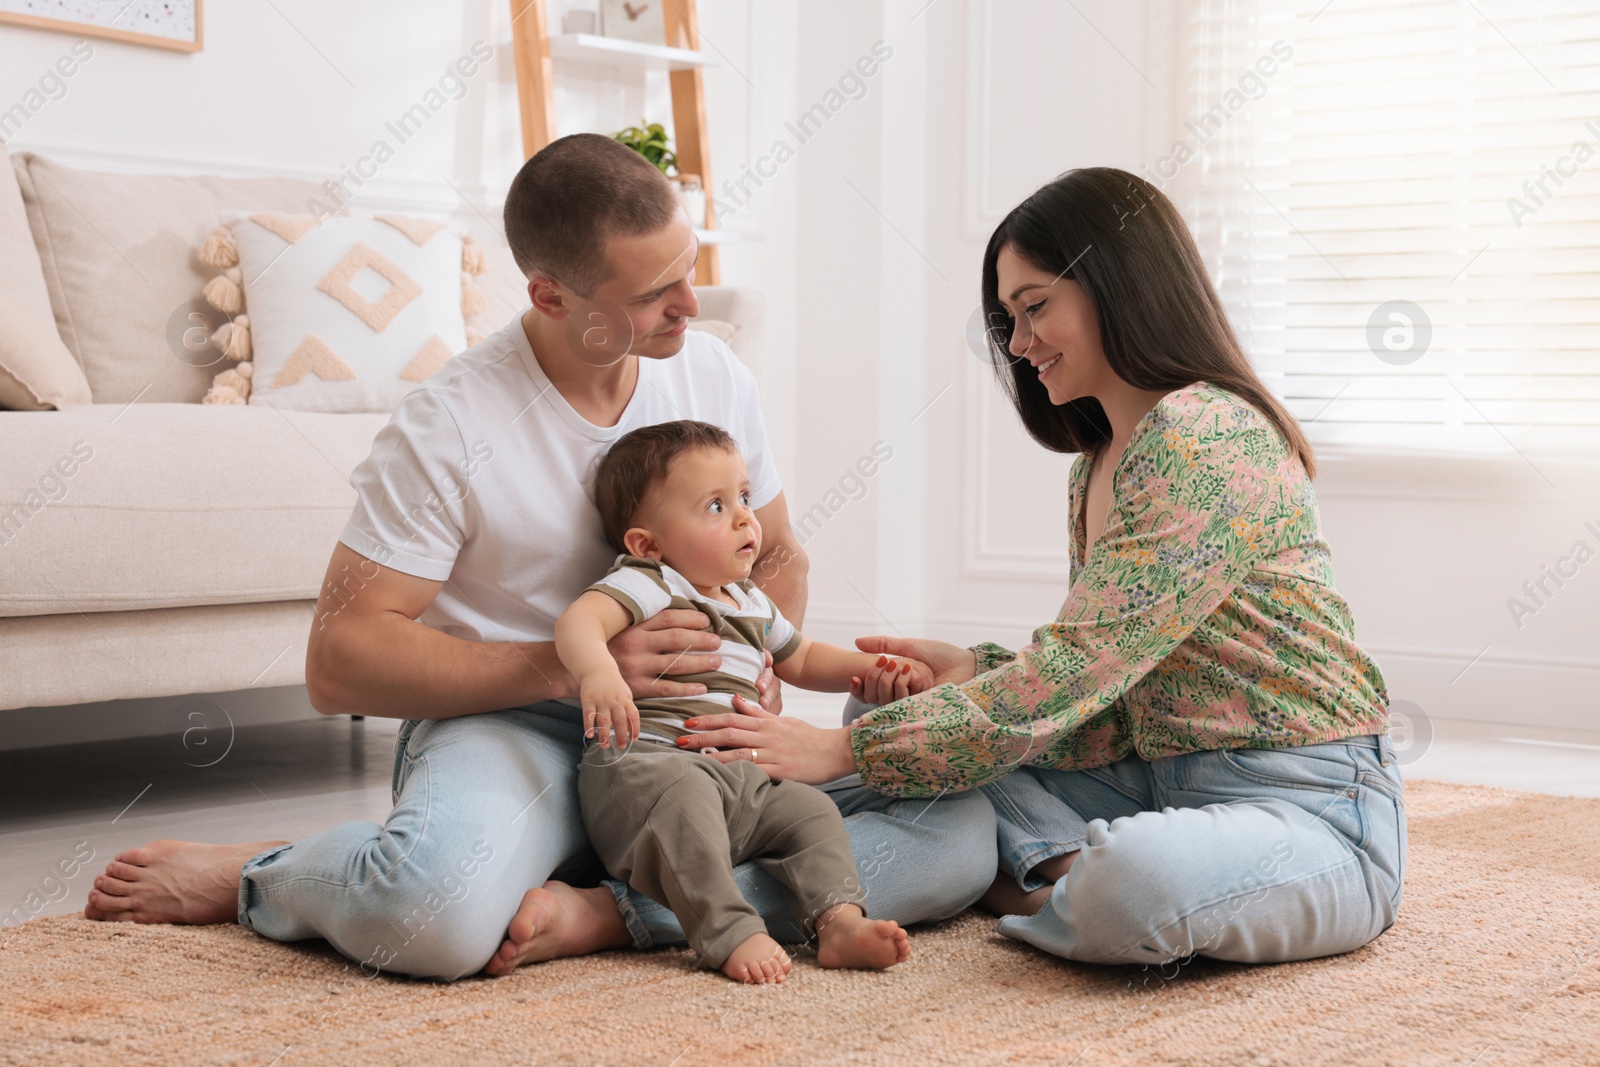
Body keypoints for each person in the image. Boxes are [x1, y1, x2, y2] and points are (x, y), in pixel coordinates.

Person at [80, 133, 997, 980]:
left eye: (689, 270)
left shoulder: (713, 370)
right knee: (427, 918)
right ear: (551, 296)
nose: (690, 306)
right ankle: (271, 872)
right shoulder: (448, 422)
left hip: (696, 739)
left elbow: (780, 551)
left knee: (958, 836)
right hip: (516, 728)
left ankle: (613, 912)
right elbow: (338, 660)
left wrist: (755, 668)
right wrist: (573, 671)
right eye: (652, 295)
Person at [682, 167, 1407, 969]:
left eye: (1035, 309)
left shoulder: (1205, 435)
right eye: (1008, 319)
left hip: (1310, 807)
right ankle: (685, 878)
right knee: (890, 716)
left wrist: (847, 756)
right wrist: (967, 671)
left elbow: (1075, 673)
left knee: (1127, 880)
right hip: (1142, 776)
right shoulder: (1096, 462)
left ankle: (1043, 878)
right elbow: (1110, 685)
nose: (1019, 346)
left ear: (1119, 286)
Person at [557, 419, 921, 983]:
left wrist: (873, 669)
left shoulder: (749, 600)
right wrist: (598, 671)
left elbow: (803, 658)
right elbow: (580, 621)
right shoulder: (653, 580)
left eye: (744, 498)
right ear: (647, 542)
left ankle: (838, 921)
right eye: (715, 507)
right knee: (686, 800)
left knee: (810, 810)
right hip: (646, 772)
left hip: (736, 780)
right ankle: (727, 931)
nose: (746, 518)